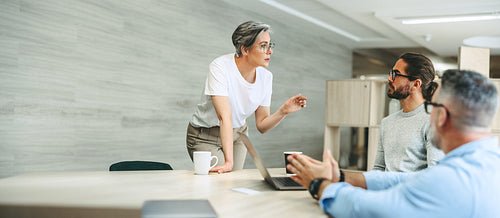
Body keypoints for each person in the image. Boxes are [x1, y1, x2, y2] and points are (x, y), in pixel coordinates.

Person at [287, 69, 500, 217]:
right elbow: (409, 179)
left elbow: (364, 209)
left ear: (442, 116)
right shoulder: (487, 162)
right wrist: (342, 177)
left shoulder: (449, 179)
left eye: (431, 106)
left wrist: (319, 185)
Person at [186, 21, 307, 174]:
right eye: (263, 46)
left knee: (233, 182)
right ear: (245, 49)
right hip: (205, 135)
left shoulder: (266, 77)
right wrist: (229, 162)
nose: (270, 51)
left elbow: (262, 125)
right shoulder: (220, 67)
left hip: (238, 135)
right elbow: (224, 117)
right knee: (222, 181)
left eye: (270, 45)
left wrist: (283, 111)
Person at [374, 52, 444, 172]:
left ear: (416, 84)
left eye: (396, 74)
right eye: (391, 73)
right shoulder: (387, 122)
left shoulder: (433, 121)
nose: (390, 78)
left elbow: (434, 174)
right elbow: (378, 169)